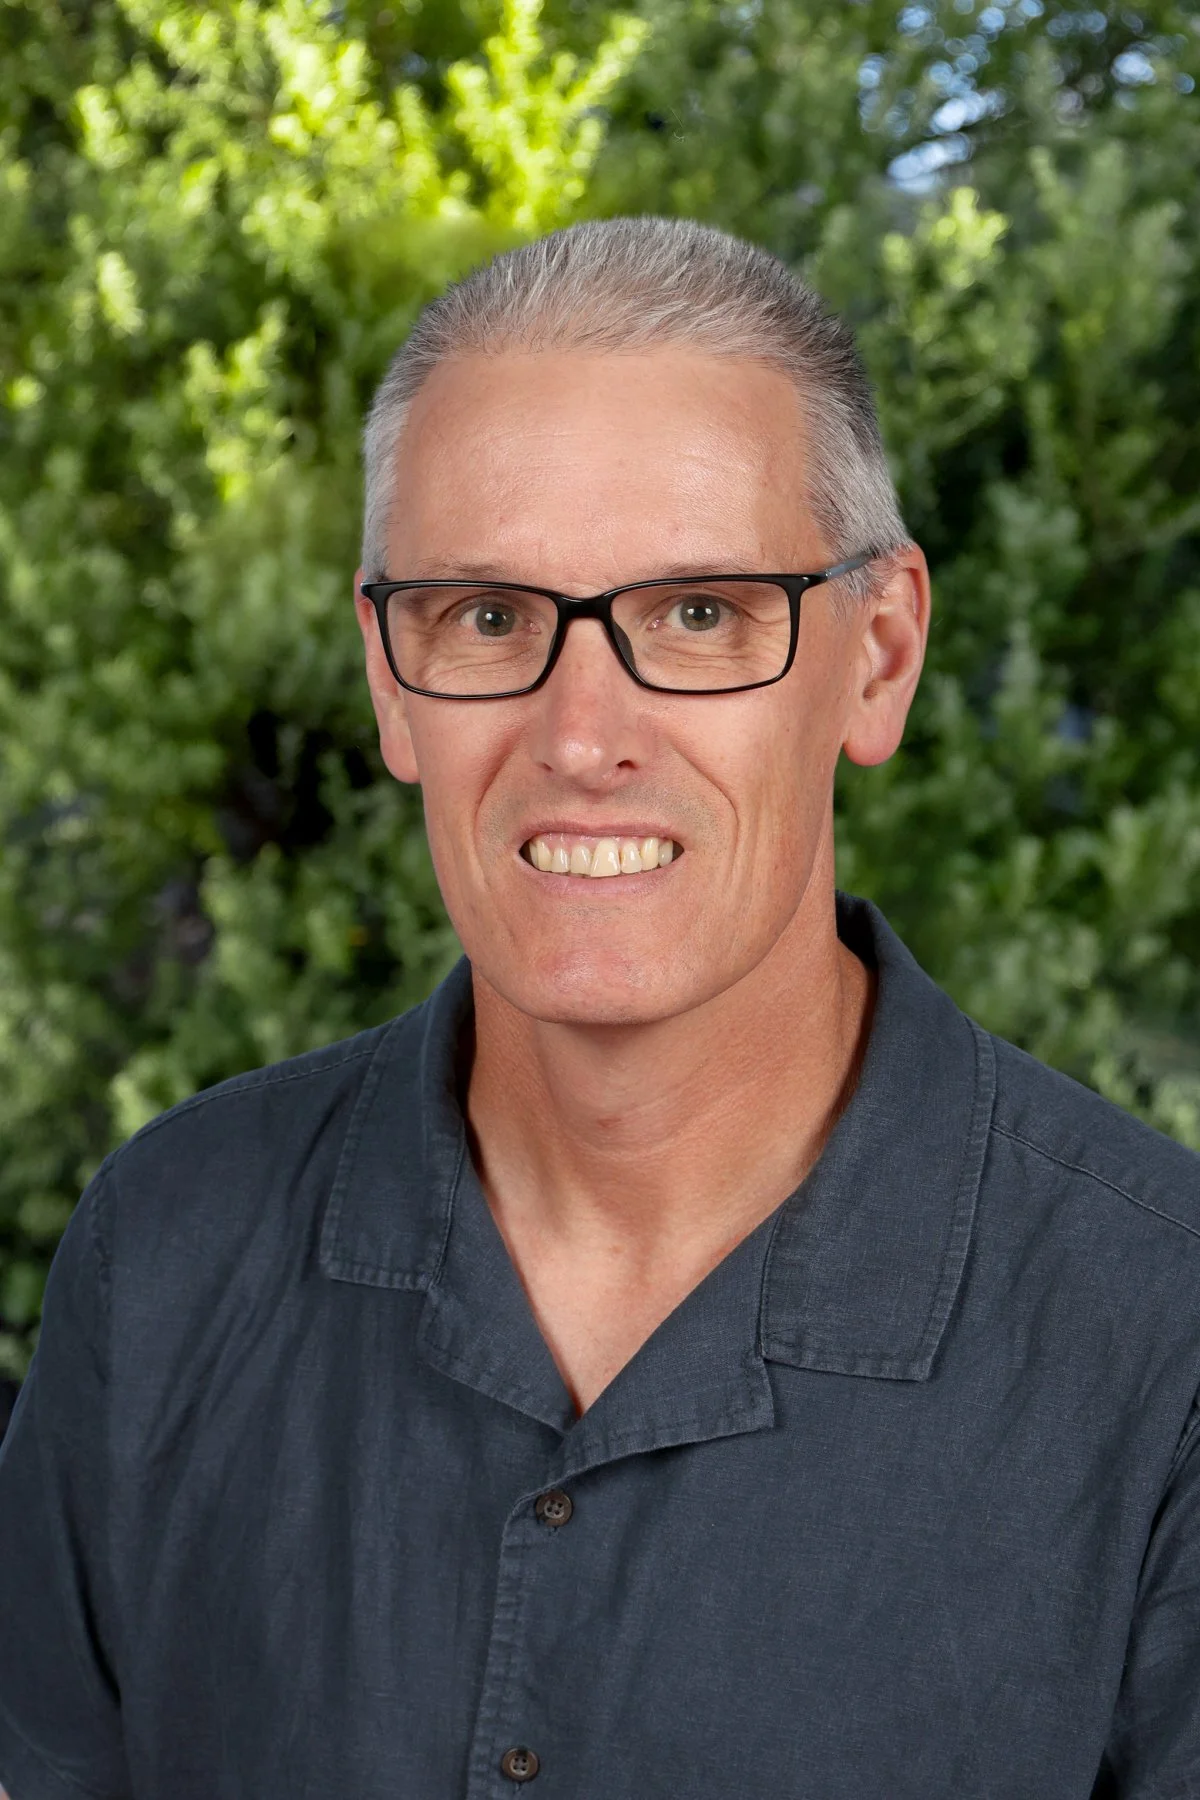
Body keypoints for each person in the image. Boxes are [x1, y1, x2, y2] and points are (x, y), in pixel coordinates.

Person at [1, 217, 1198, 1800]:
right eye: (487, 618)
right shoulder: (164, 1254)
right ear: (387, 674)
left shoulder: (1162, 1339)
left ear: (880, 655)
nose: (584, 733)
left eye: (699, 613)